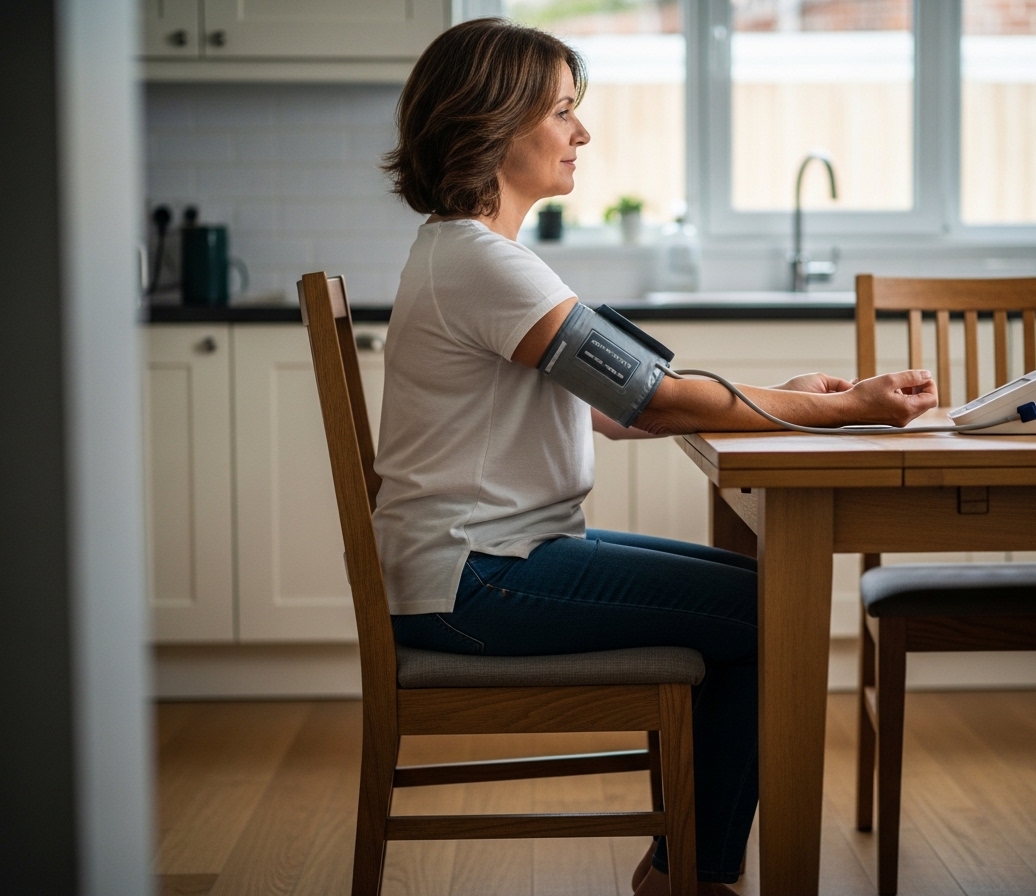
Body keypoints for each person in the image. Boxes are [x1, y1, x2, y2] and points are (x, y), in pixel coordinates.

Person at [375, 18, 937, 895]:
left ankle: (687, 869)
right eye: (563, 111)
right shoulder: (484, 265)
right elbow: (657, 397)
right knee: (770, 612)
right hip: (477, 581)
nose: (581, 133)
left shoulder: (473, 259)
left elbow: (620, 414)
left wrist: (785, 398)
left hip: (491, 563)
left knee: (763, 597)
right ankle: (694, 878)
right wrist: (845, 409)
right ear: (495, 120)